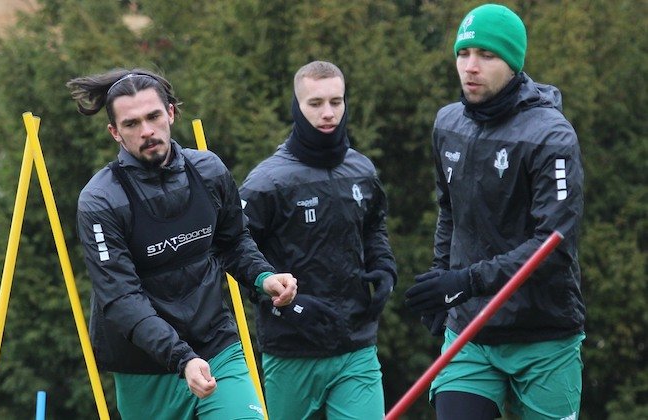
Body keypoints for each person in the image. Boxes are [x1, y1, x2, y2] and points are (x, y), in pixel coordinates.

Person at [67, 68, 298, 420]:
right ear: (115, 132)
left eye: (154, 116)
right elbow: (121, 298)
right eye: (131, 124)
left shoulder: (209, 171)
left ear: (171, 113)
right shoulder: (101, 201)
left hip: (216, 344)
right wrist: (182, 358)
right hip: (144, 367)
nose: (146, 131)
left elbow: (233, 241)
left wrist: (264, 278)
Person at [404, 4, 585, 420]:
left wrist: (465, 281)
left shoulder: (551, 136)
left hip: (544, 334)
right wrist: (442, 284)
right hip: (470, 333)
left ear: (513, 63)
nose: (471, 67)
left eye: (486, 56)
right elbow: (449, 212)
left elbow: (552, 246)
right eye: (464, 54)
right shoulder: (448, 123)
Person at [239, 60, 397, 419]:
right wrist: (283, 302)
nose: (328, 113)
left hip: (355, 344)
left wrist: (385, 268)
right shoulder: (267, 182)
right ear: (297, 107)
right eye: (315, 103)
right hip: (291, 349)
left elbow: (374, 228)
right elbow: (237, 251)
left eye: (336, 102)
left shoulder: (361, 170)